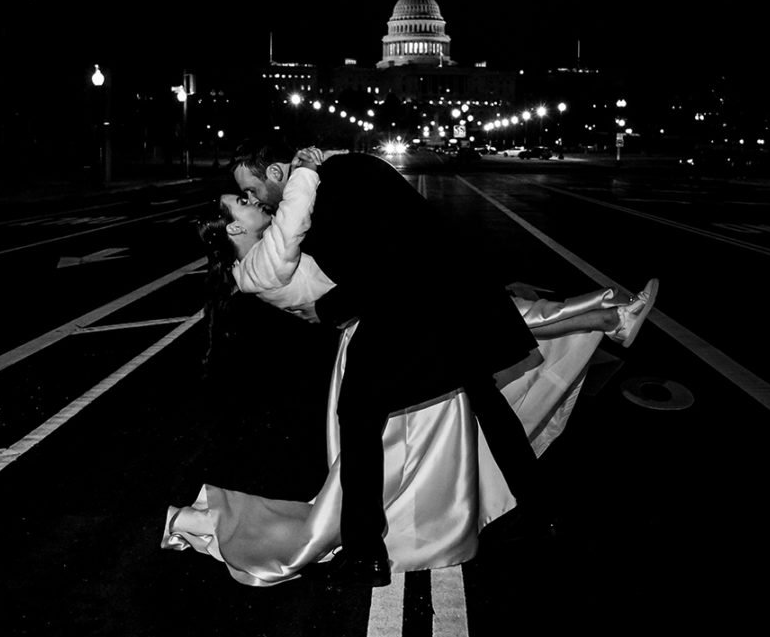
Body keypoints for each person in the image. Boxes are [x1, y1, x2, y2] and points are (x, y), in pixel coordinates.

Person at [162, 158, 658, 587]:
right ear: (232, 229)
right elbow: (315, 237)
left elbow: (372, 259)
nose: (253, 200)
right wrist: (305, 172)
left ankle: (370, 554)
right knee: (463, 395)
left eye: (249, 191)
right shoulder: (263, 257)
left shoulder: (303, 214)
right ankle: (536, 509)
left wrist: (305, 174)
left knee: (414, 408)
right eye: (244, 201)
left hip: (397, 310)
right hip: (389, 313)